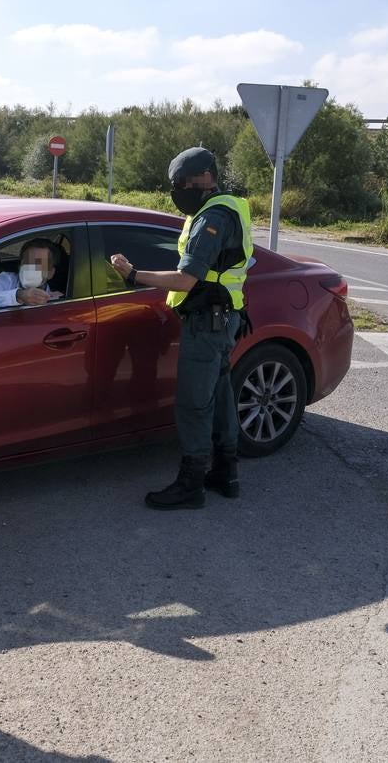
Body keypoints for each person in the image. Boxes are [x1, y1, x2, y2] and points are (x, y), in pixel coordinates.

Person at [109, 147, 252, 510]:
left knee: (193, 405)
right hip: (226, 317)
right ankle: (226, 473)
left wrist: (133, 275)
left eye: (181, 184)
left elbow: (186, 280)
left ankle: (191, 484)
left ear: (204, 178)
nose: (177, 191)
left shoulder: (211, 218)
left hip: (207, 324)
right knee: (220, 398)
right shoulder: (230, 207)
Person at [0, 238, 65, 309]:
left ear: (50, 273)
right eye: (27, 262)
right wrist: (18, 295)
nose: (31, 267)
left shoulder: (57, 302)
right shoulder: (7, 279)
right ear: (20, 265)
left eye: (38, 263)